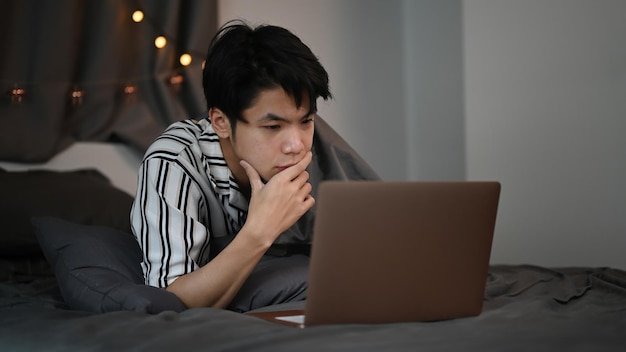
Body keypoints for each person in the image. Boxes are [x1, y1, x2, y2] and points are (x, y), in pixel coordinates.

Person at [130, 20, 378, 312]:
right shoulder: (174, 162)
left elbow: (386, 235)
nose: (296, 145)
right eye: (273, 126)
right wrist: (260, 231)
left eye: (307, 121)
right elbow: (167, 300)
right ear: (221, 122)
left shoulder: (310, 142)